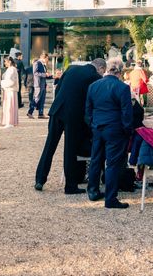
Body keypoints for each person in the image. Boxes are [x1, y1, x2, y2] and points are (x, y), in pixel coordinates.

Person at [35, 58, 106, 194]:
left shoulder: (71, 68)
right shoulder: (95, 77)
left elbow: (59, 88)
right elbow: (92, 100)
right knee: (70, 149)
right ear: (101, 69)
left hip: (57, 110)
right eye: (103, 72)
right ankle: (70, 186)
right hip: (73, 115)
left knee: (49, 145)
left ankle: (40, 179)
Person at [85, 57, 133, 209]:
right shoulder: (122, 88)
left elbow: (88, 110)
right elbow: (127, 113)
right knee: (112, 164)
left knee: (96, 159)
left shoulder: (93, 86)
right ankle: (110, 198)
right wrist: (127, 130)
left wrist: (92, 124)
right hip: (115, 129)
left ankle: (93, 191)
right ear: (120, 72)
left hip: (98, 127)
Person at [27, 53, 52, 119]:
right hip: (38, 85)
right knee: (37, 98)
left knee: (42, 100)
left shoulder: (44, 65)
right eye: (47, 59)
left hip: (43, 85)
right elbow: (35, 73)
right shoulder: (37, 63)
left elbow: (44, 75)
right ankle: (30, 112)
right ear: (44, 57)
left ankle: (40, 114)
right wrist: (45, 74)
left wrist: (51, 76)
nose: (47, 60)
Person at [1, 56, 19, 128]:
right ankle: (8, 121)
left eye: (5, 61)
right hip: (8, 89)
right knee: (8, 105)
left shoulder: (12, 69)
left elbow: (12, 81)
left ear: (10, 62)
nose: (5, 63)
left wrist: (2, 83)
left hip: (10, 90)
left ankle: (10, 121)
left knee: (10, 106)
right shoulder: (10, 69)